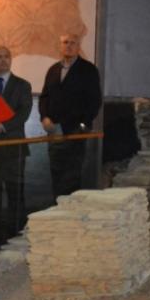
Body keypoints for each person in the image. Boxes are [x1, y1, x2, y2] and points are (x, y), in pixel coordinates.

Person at [38, 32, 102, 200]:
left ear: (78, 47)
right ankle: (57, 215)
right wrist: (44, 117)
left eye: (73, 43)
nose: (69, 45)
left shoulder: (88, 70)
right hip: (53, 131)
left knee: (71, 177)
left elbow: (94, 101)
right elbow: (44, 97)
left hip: (75, 132)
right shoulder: (53, 70)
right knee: (56, 175)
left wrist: (83, 124)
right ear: (60, 46)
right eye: (65, 42)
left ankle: (70, 219)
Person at [0, 46, 31, 242]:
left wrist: (2, 126)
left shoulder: (23, 85)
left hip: (14, 147)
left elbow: (24, 113)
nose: (3, 60)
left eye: (7, 57)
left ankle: (17, 232)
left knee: (15, 192)